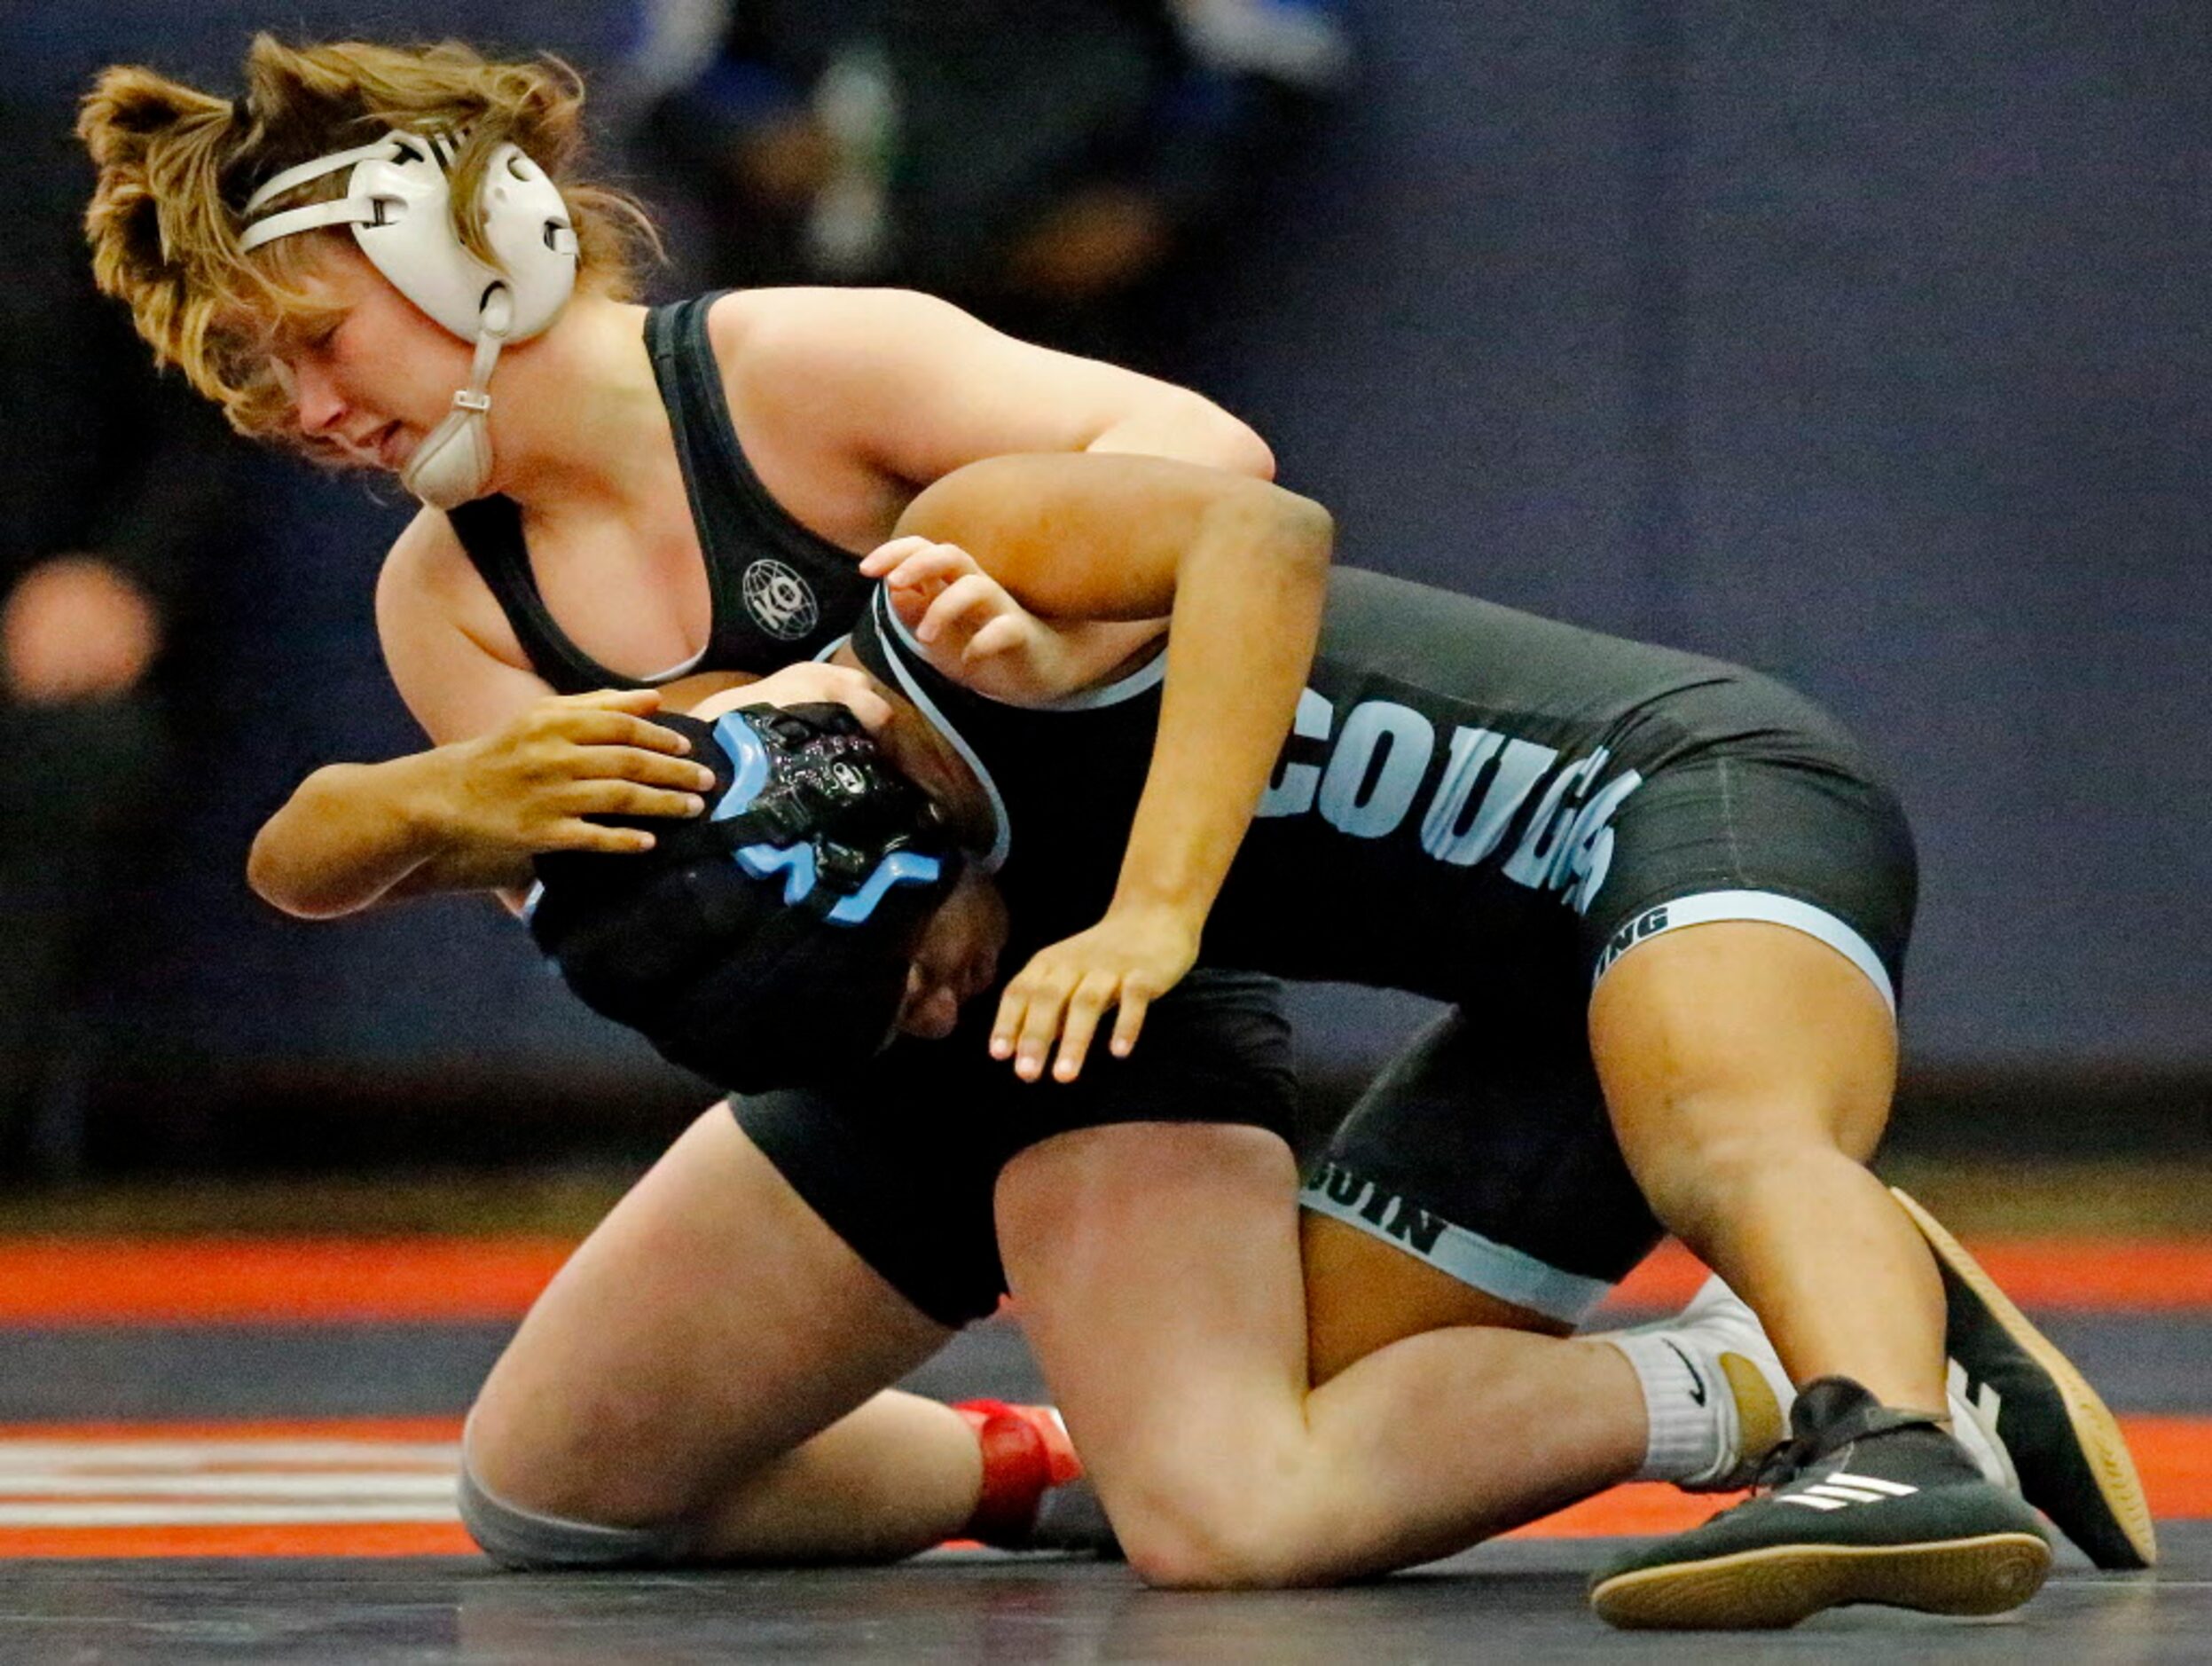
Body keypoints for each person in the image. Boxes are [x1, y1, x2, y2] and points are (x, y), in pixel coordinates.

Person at [528, 452, 2154, 1627]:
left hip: (1686, 804)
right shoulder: (851, 805)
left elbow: (1259, 529)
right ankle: (1814, 1350)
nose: (940, 1016)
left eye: (915, 980)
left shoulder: (959, 578)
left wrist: (1160, 908)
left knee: (1724, 1133)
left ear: (882, 843)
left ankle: (1891, 1432)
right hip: (1540, 1014)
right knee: (1298, 1436)